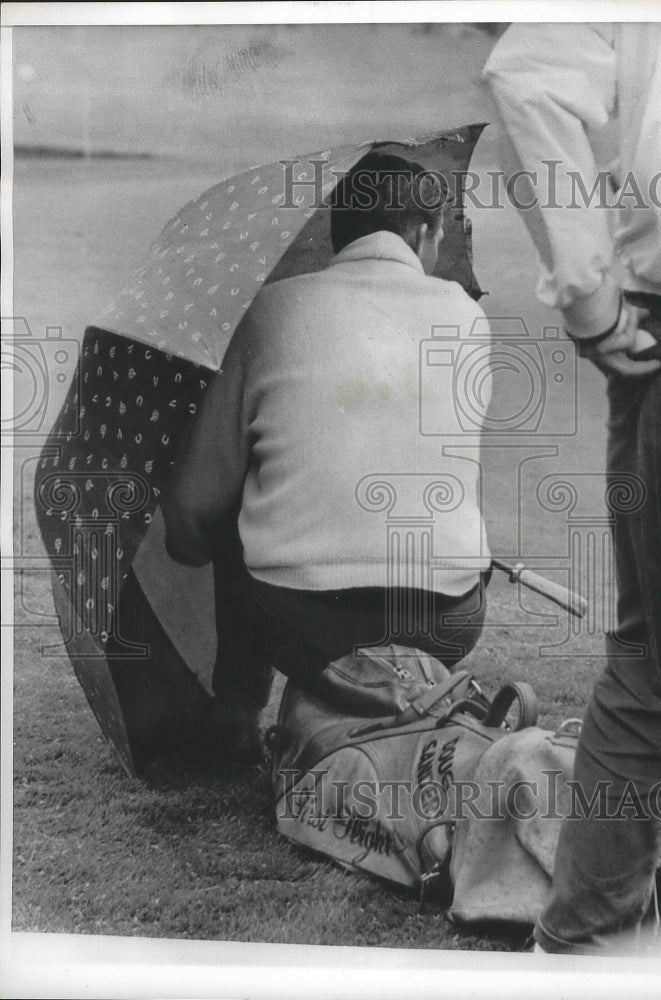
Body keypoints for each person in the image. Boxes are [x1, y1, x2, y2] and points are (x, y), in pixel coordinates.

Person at [163, 152, 492, 758]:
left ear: (336, 232)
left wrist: (199, 539)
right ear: (424, 231)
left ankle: (236, 716)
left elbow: (191, 510)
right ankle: (407, 698)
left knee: (240, 506)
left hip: (300, 622)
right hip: (446, 619)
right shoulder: (466, 316)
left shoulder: (268, 311)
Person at [483, 23, 661, 953]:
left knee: (654, 667)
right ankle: (582, 947)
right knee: (657, 667)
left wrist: (593, 302)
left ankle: (578, 949)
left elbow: (527, 68)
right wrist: (593, 299)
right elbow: (524, 71)